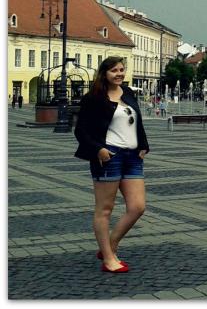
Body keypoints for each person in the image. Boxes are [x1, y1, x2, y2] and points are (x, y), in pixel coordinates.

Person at [74, 56, 149, 273]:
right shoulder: (94, 98)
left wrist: (143, 146)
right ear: (104, 73)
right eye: (114, 70)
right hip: (109, 157)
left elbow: (137, 123)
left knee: (137, 207)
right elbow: (81, 131)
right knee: (105, 209)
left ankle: (110, 244)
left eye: (121, 70)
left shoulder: (128, 93)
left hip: (133, 157)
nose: (119, 74)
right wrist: (99, 149)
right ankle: (108, 259)